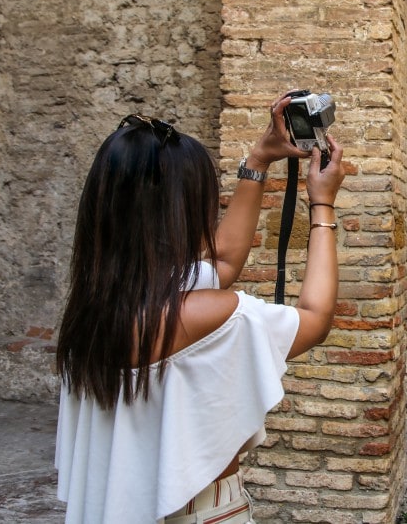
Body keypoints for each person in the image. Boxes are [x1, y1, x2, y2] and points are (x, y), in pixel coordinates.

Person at [54, 94, 345, 524]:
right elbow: (315, 319)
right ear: (180, 212)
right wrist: (322, 206)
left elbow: (222, 262)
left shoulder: (93, 312)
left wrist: (258, 160)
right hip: (200, 513)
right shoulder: (208, 315)